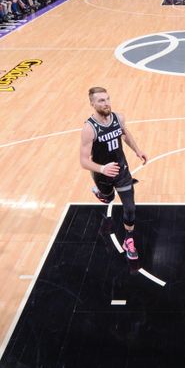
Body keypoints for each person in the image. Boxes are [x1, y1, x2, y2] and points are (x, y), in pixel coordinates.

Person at [79, 87, 148, 260]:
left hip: (122, 170)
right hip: (102, 174)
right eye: (101, 100)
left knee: (130, 208)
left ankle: (129, 239)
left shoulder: (118, 118)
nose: (106, 103)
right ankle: (102, 194)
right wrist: (103, 169)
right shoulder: (89, 128)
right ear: (92, 104)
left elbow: (125, 134)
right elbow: (83, 161)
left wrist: (137, 150)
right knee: (109, 198)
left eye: (107, 98)